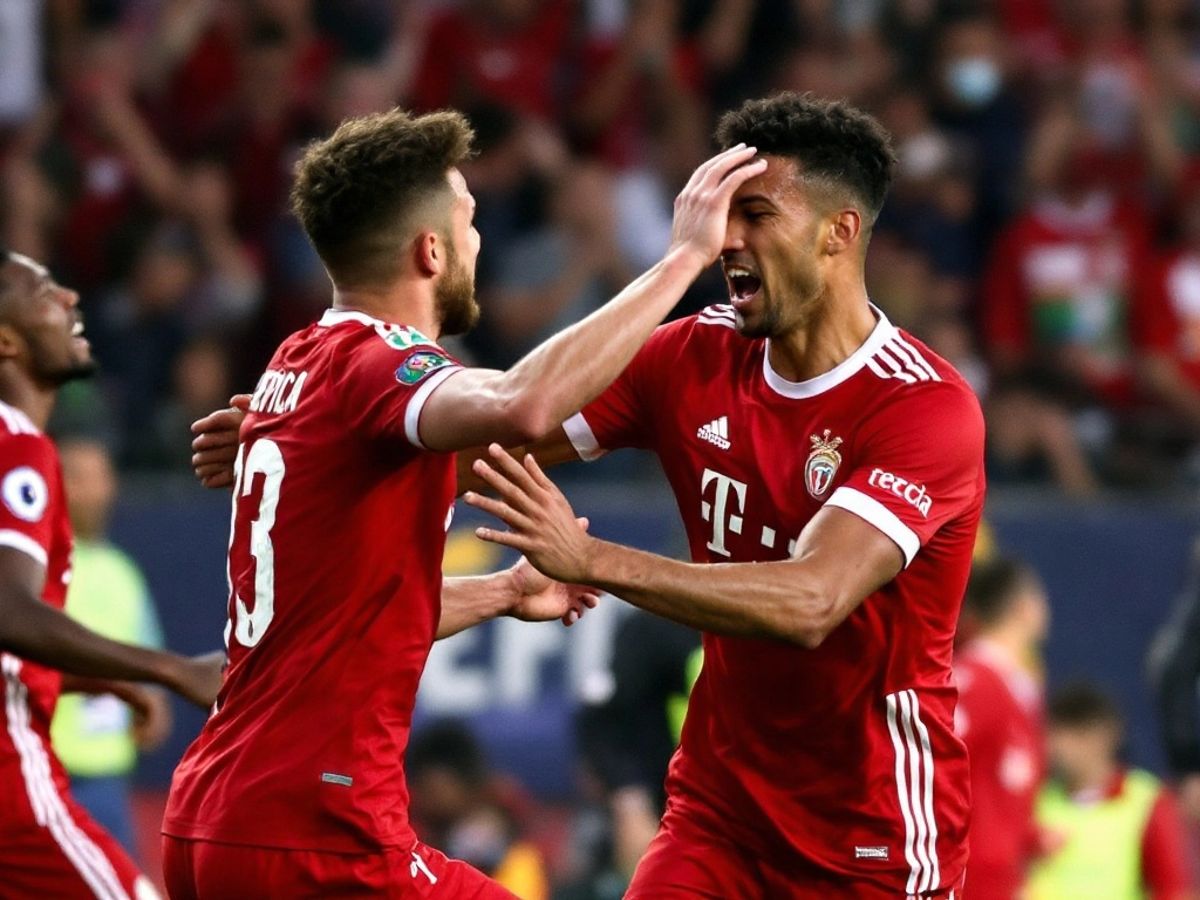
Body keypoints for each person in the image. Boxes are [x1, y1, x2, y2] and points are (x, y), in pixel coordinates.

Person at [163, 106, 766, 898]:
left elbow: (346, 611)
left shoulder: (298, 362)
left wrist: (504, 591)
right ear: (430, 249)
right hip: (319, 828)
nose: (479, 243)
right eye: (470, 220)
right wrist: (683, 257)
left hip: (210, 814)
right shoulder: (383, 363)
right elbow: (525, 402)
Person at [459, 93, 985, 897]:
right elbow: (484, 445)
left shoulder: (923, 407)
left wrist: (591, 559)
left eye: (756, 214)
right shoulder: (692, 356)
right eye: (717, 217)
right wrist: (327, 423)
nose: (725, 241)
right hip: (719, 816)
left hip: (870, 838)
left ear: (838, 233)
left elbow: (813, 601)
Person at [0, 248, 224, 899]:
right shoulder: (17, 447)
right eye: (40, 291)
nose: (69, 297)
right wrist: (170, 669)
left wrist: (113, 681)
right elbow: (9, 614)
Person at [50, 438, 171, 858]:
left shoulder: (123, 572)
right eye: (80, 477)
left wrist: (151, 705)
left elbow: (147, 654)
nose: (95, 489)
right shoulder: (36, 564)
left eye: (102, 477)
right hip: (46, 773)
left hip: (109, 781)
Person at [1027, 681, 1196, 900]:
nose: (1061, 747)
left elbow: (1173, 888)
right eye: (1056, 735)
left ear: (1105, 736)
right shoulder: (1037, 799)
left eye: (1077, 736)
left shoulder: (1146, 799)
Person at [953, 557, 1049, 899]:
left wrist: (1030, 837)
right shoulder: (974, 683)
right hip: (968, 879)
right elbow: (937, 772)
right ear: (1024, 606)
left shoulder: (1019, 687)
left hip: (1001, 880)